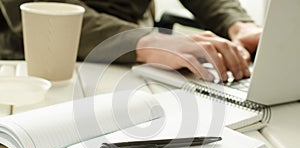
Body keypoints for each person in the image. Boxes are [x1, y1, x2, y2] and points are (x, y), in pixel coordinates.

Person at [0, 0, 262, 82]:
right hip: (35, 64)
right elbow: (44, 8)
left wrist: (237, 23)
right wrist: (145, 41)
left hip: (134, 60)